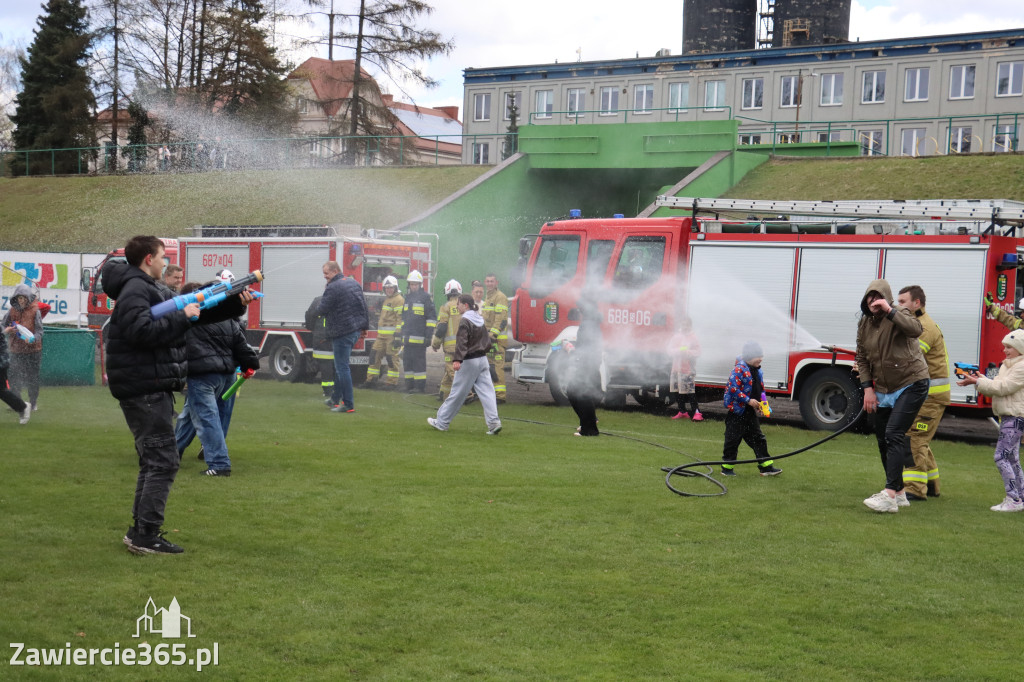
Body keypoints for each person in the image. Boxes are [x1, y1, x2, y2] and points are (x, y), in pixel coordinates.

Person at [105, 235, 252, 554]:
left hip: (150, 384)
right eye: (161, 257)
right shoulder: (136, 289)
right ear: (147, 259)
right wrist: (182, 318)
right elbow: (140, 332)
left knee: (155, 460)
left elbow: (195, 313)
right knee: (163, 460)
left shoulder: (148, 288)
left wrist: (232, 304)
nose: (165, 263)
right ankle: (145, 536)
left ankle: (140, 530)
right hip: (143, 386)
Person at [857, 279, 930, 513]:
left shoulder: (899, 313)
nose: (873, 302)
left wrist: (889, 311)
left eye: (877, 297)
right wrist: (868, 388)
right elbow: (862, 357)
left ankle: (888, 495)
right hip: (883, 389)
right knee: (882, 439)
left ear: (886, 299)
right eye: (869, 297)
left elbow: (915, 329)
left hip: (912, 382)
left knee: (894, 433)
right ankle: (899, 493)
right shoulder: (864, 323)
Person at [173, 279, 259, 476]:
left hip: (201, 374)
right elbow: (240, 343)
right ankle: (172, 453)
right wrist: (250, 364)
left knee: (206, 419)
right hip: (226, 375)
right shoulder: (228, 317)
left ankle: (219, 464)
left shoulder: (192, 315)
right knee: (190, 416)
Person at [957, 330, 1024, 511]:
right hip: (1009, 416)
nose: (1004, 350)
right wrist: (978, 379)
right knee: (1012, 458)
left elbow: (1003, 387)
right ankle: (1020, 497)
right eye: (1004, 346)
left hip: (1015, 417)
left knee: (1001, 456)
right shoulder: (1008, 365)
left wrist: (979, 382)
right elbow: (996, 386)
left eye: (1009, 347)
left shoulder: (1021, 366)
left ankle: (1013, 499)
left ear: (1020, 348)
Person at [896, 285, 949, 500]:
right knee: (921, 438)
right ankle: (931, 483)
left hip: (929, 396)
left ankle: (915, 489)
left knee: (914, 438)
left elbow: (908, 356)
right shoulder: (917, 324)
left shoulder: (923, 327)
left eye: (902, 302)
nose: (897, 306)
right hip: (926, 395)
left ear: (916, 303)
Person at [428, 294, 502, 435]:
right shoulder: (479, 318)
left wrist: (457, 359)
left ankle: (442, 422)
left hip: (469, 360)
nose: (457, 306)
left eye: (459, 304)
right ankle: (494, 422)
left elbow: (462, 341)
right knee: (488, 392)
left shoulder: (465, 320)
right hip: (482, 359)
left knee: (457, 393)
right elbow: (486, 340)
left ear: (465, 305)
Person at [721, 341, 782, 477]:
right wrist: (748, 401)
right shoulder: (739, 369)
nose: (760, 359)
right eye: (757, 356)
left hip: (749, 413)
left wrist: (762, 404)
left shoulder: (757, 370)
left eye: (761, 356)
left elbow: (759, 389)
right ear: (748, 356)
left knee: (758, 438)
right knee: (733, 439)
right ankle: (727, 469)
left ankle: (766, 467)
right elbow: (732, 388)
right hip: (737, 412)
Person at [319, 261, 369, 414]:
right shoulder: (353, 283)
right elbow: (363, 305)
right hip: (354, 330)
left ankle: (348, 404)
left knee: (342, 368)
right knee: (341, 366)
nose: (325, 276)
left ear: (335, 271)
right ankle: (335, 399)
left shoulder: (333, 287)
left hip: (342, 332)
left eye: (326, 273)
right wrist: (364, 327)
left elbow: (322, 309)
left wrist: (316, 308)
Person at [566, 292, 603, 436]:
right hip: (590, 362)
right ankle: (587, 424)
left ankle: (589, 428)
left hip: (586, 363)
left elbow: (586, 348)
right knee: (577, 392)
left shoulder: (588, 324)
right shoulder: (592, 322)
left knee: (579, 393)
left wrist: (570, 350)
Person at [3, 283, 43, 412]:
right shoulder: (12, 311)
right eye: (19, 298)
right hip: (15, 350)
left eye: (24, 298)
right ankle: (17, 403)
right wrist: (8, 330)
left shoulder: (35, 311)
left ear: (28, 299)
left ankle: (33, 403)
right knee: (13, 378)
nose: (21, 301)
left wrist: (33, 338)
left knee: (32, 378)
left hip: (33, 350)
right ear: (16, 299)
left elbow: (40, 331)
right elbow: (2, 327)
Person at [365, 275, 404, 389]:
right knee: (374, 356)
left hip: (391, 337)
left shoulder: (399, 300)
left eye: (391, 287)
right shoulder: (387, 299)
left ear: (395, 288)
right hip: (381, 336)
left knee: (392, 359)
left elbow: (400, 319)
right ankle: (370, 380)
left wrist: (397, 336)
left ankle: (391, 383)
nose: (389, 290)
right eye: (386, 288)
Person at [400, 270, 436, 392]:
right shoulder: (408, 298)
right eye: (411, 284)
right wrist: (401, 335)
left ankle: (419, 387)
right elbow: (404, 319)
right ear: (409, 285)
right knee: (407, 362)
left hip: (420, 338)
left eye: (416, 284)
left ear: (420, 285)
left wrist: (428, 336)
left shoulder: (426, 298)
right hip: (407, 338)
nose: (413, 286)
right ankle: (409, 386)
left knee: (419, 363)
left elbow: (431, 318)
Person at [431, 279, 463, 401]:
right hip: (463, 345)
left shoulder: (446, 307)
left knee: (451, 369)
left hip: (450, 347)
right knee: (450, 370)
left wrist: (435, 344)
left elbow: (441, 327)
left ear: (447, 293)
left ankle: (466, 394)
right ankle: (444, 394)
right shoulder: (463, 306)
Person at [482, 273, 510, 403]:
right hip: (488, 339)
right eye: (487, 281)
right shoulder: (487, 298)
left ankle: (500, 396)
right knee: (489, 368)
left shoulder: (500, 297)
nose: (489, 284)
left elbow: (501, 319)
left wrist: (492, 335)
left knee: (497, 367)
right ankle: (492, 394)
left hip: (496, 340)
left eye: (492, 281)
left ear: (496, 282)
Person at [668, 316, 702, 421]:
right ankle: (682, 411)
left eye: (687, 324)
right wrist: (678, 350)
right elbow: (669, 349)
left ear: (690, 325)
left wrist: (688, 352)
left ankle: (697, 413)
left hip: (688, 370)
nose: (685, 326)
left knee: (690, 392)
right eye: (683, 324)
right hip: (676, 369)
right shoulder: (676, 336)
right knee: (677, 391)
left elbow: (698, 351)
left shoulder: (693, 337)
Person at [304, 294, 335, 399]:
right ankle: (336, 390)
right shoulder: (341, 300)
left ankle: (328, 391)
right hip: (336, 337)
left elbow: (309, 317)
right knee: (336, 365)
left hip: (321, 337)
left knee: (325, 364)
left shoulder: (318, 300)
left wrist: (316, 330)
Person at [0, 323, 31, 424]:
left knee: (1, 390)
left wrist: (5, 331)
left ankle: (23, 407)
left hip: (1, 362)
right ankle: (22, 407)